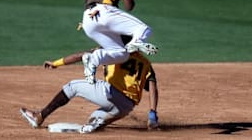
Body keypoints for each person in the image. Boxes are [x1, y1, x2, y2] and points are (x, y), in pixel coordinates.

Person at [19, 48, 159, 133]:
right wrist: (152, 113)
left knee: (72, 86)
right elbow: (152, 86)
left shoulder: (112, 49)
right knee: (93, 119)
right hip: (126, 107)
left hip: (110, 94)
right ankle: (90, 128)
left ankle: (40, 116)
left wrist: (56, 63)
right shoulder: (145, 63)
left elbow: (81, 56)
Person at [81, 0, 158, 85]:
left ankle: (93, 59)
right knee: (143, 29)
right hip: (105, 12)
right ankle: (136, 43)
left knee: (121, 54)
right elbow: (129, 6)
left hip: (88, 18)